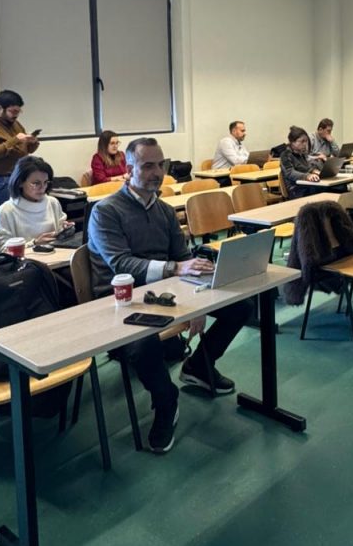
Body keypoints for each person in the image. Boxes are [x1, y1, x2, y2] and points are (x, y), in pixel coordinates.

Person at [87, 137, 253, 454]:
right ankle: (166, 400)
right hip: (121, 299)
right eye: (147, 166)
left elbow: (183, 256)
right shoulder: (106, 212)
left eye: (160, 165)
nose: (157, 172)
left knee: (241, 307)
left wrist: (198, 302)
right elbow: (121, 263)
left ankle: (199, 367)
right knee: (143, 341)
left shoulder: (163, 210)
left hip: (163, 291)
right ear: (128, 169)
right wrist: (174, 269)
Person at [0, 90, 40, 209]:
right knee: (7, 216)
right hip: (1, 180)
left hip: (20, 176)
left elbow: (26, 150)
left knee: (25, 214)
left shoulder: (15, 124)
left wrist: (32, 142)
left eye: (18, 111)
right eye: (13, 111)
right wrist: (15, 140)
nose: (16, 115)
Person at [0, 155, 73, 249]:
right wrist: (34, 243)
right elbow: (3, 249)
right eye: (36, 183)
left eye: (46, 182)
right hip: (24, 258)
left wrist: (64, 229)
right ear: (20, 182)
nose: (43, 188)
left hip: (56, 254)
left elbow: (60, 231)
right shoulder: (5, 211)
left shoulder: (52, 202)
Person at [280, 126, 322, 198]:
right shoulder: (285, 155)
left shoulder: (302, 154)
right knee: (321, 190)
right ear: (292, 142)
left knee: (335, 187)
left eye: (306, 141)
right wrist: (307, 176)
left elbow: (307, 168)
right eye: (302, 141)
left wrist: (315, 171)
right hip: (295, 189)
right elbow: (290, 173)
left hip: (306, 184)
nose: (305, 144)